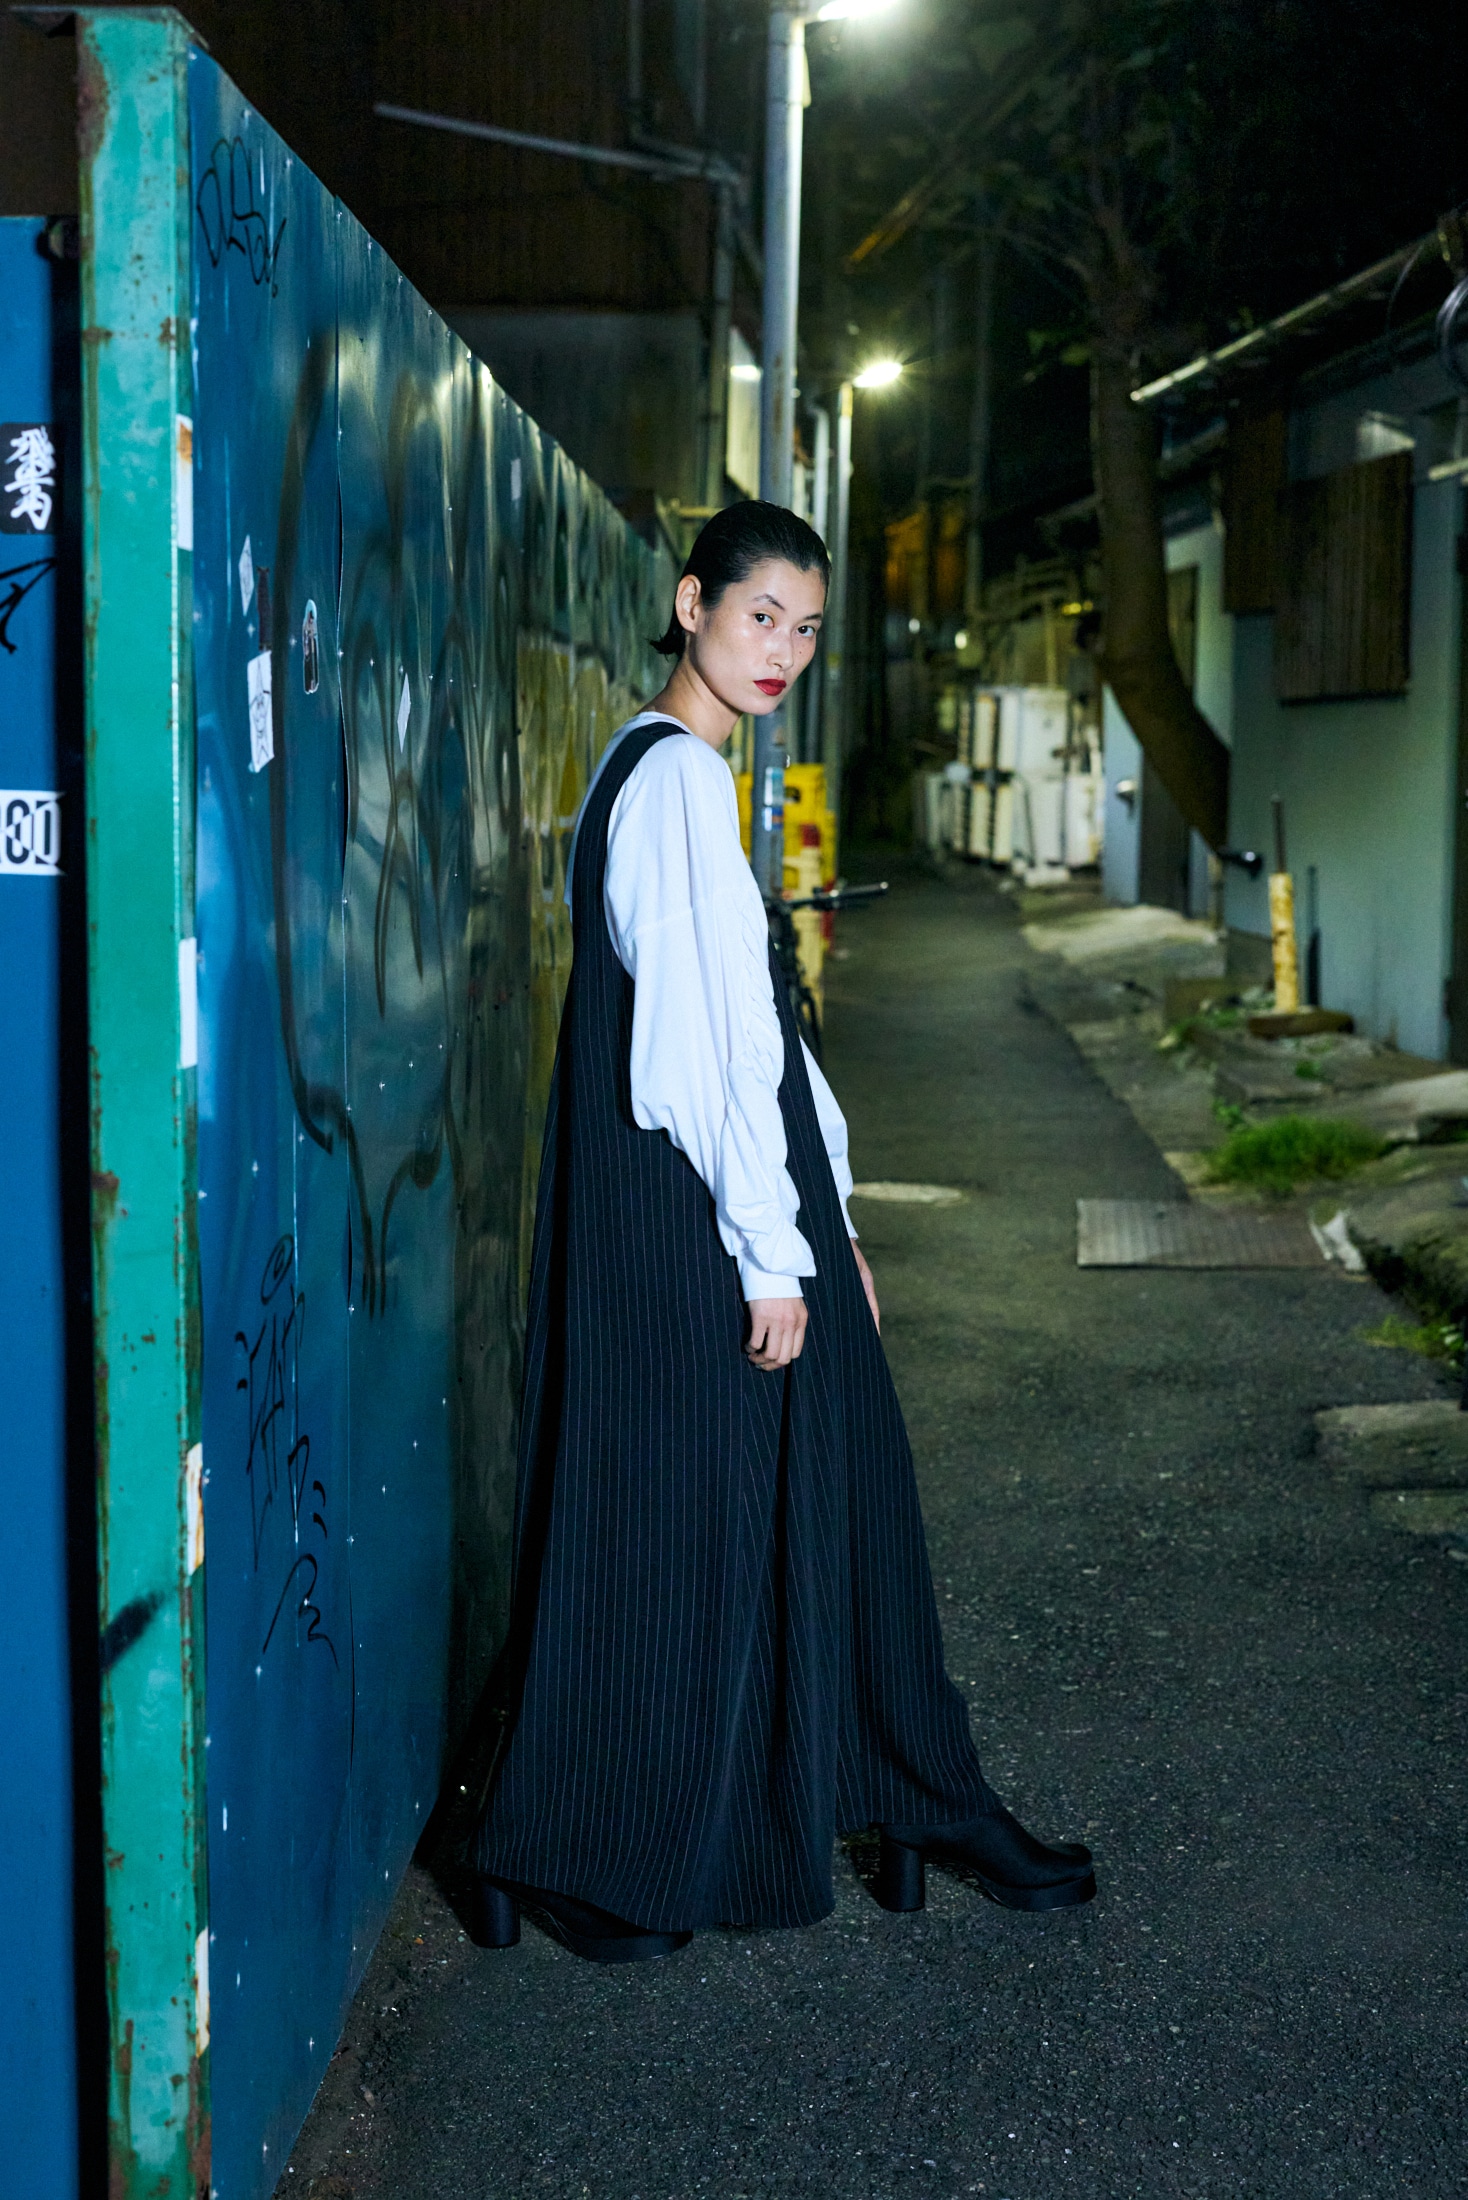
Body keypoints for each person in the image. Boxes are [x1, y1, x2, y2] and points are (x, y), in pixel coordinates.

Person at [471, 501, 1093, 1962]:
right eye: (761, 617)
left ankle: (908, 1798)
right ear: (692, 605)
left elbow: (756, 1032)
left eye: (807, 630)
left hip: (718, 1201)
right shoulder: (677, 779)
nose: (784, 653)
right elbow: (701, 1049)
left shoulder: (656, 765)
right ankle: (559, 1836)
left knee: (801, 1492)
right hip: (690, 1209)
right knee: (675, 1518)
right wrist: (770, 1247)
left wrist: (829, 1219)